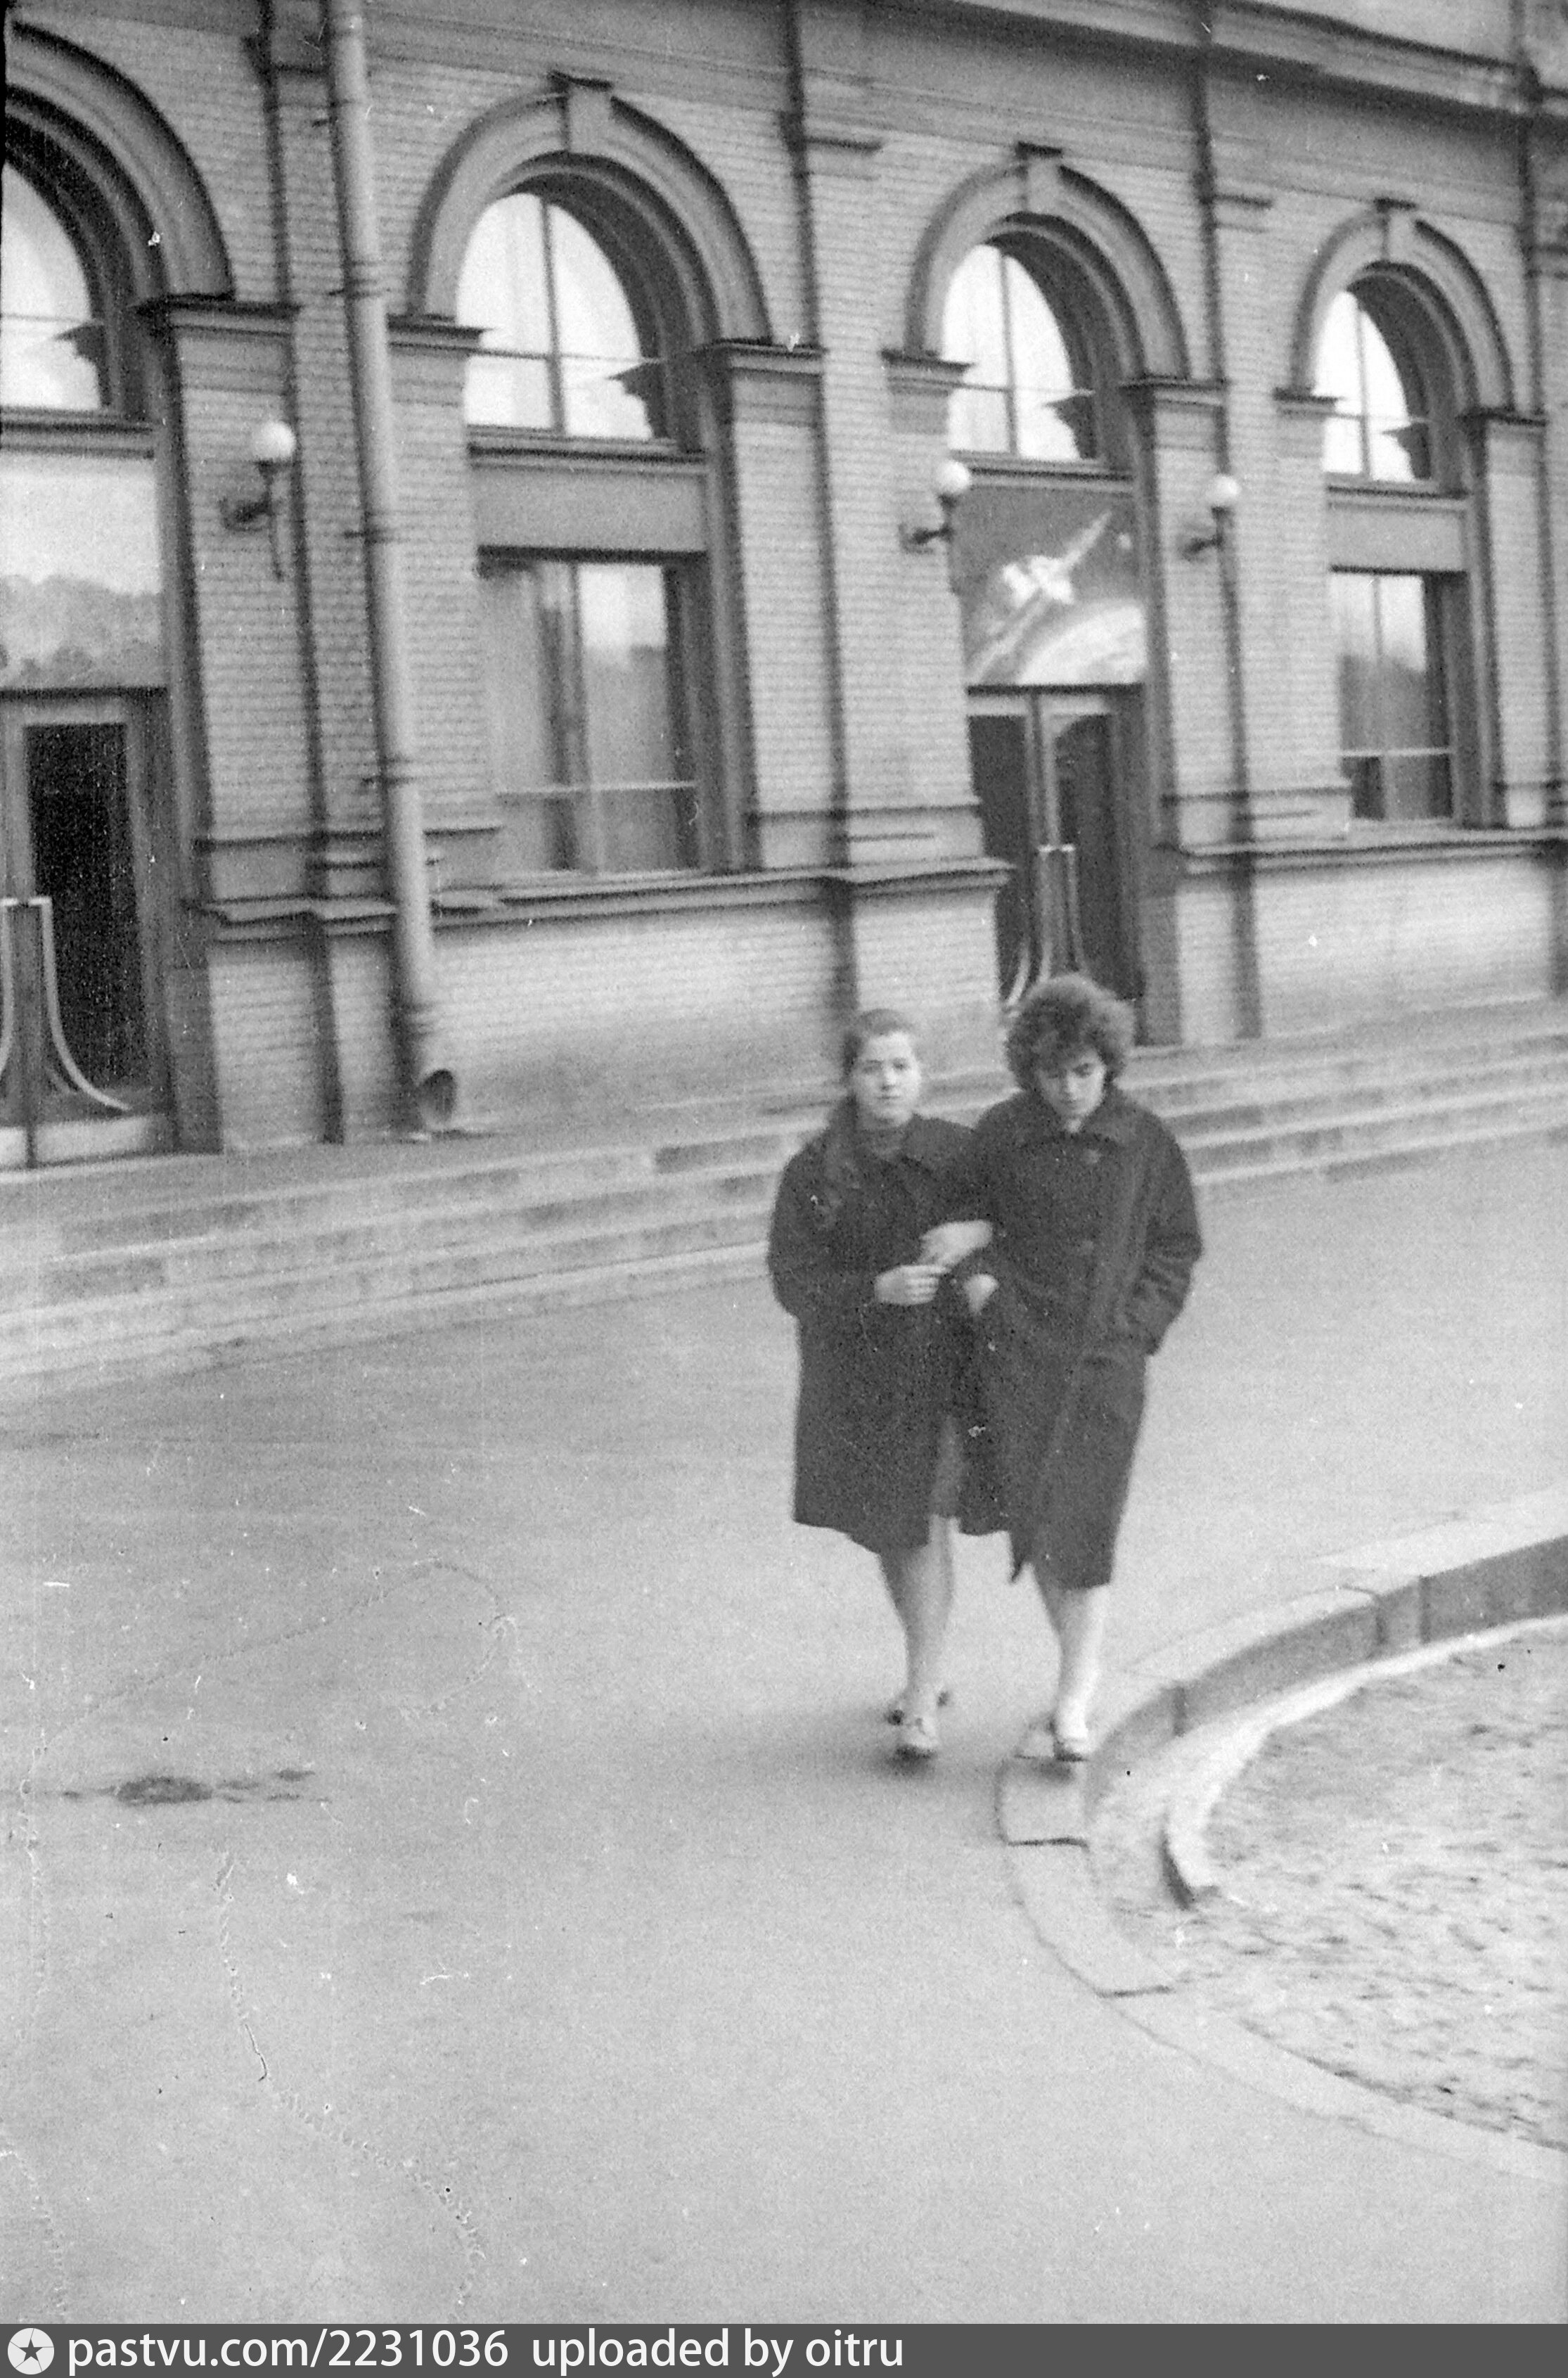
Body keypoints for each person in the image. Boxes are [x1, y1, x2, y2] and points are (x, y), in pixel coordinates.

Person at [922, 975, 1201, 1763]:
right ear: (1030, 1070)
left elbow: (1175, 1246)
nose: (1070, 1089)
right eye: (1053, 1074)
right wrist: (981, 1285)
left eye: (1084, 1071)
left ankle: (1075, 1692)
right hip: (1017, 1355)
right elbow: (957, 1222)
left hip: (1104, 1362)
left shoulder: (1145, 1141)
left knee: (1087, 1519)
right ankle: (1079, 1671)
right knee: (1039, 1517)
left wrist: (1137, 1328)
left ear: (1108, 1064)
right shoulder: (1002, 1133)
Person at [767, 1009, 982, 1762]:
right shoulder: (815, 1171)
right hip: (859, 1377)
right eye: (872, 1068)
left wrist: (976, 1232)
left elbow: (1020, 1223)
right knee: (893, 1528)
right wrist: (874, 1289)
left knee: (921, 1522)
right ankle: (928, 1668)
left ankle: (922, 1695)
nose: (888, 1082)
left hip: (943, 1368)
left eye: (901, 1066)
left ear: (922, 1076)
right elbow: (793, 1281)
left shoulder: (958, 1154)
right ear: (849, 1079)